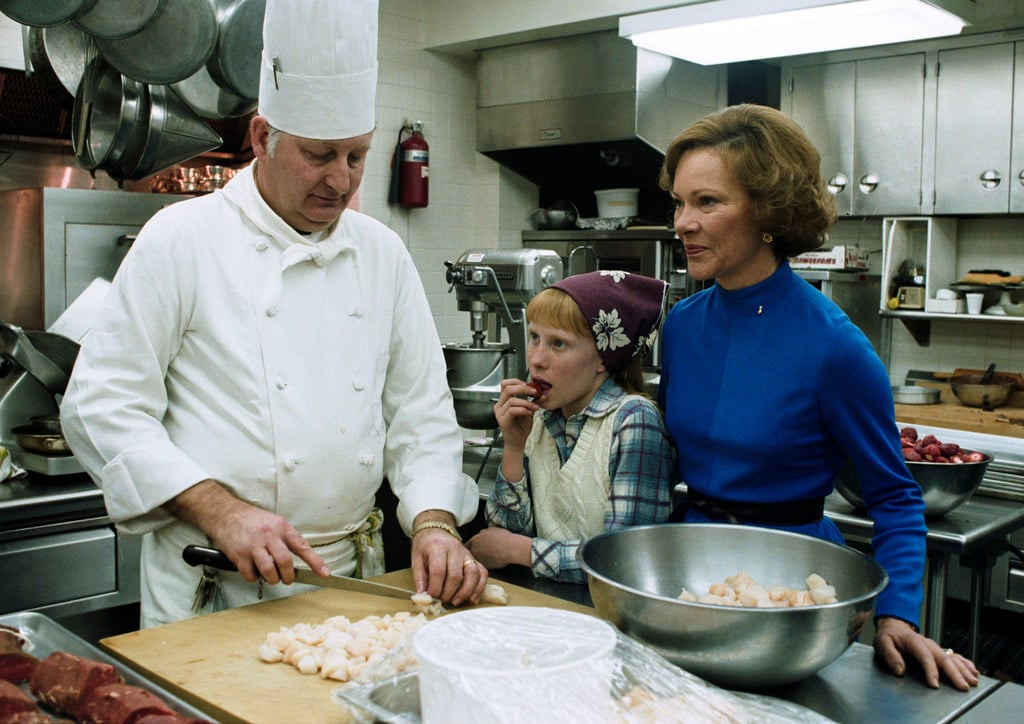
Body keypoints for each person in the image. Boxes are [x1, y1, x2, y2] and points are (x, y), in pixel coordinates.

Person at [60, 0, 485, 628]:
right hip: (212, 585)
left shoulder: (382, 253)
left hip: (349, 588)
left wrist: (435, 523)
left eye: (356, 156)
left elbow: (421, 416)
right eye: (320, 155)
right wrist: (220, 510)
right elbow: (102, 407)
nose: (341, 182)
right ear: (263, 138)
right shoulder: (181, 238)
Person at [657, 103, 978, 690]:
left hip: (792, 595)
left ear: (768, 211)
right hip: (691, 576)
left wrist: (897, 614)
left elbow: (897, 499)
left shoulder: (836, 349)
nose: (682, 222)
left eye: (707, 201)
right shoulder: (681, 325)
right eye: (679, 202)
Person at [467, 271, 676, 583]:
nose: (536, 359)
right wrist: (513, 446)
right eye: (535, 337)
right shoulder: (540, 417)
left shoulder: (634, 422)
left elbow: (622, 560)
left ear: (605, 358)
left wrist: (520, 551)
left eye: (559, 344)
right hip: (544, 610)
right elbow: (501, 536)